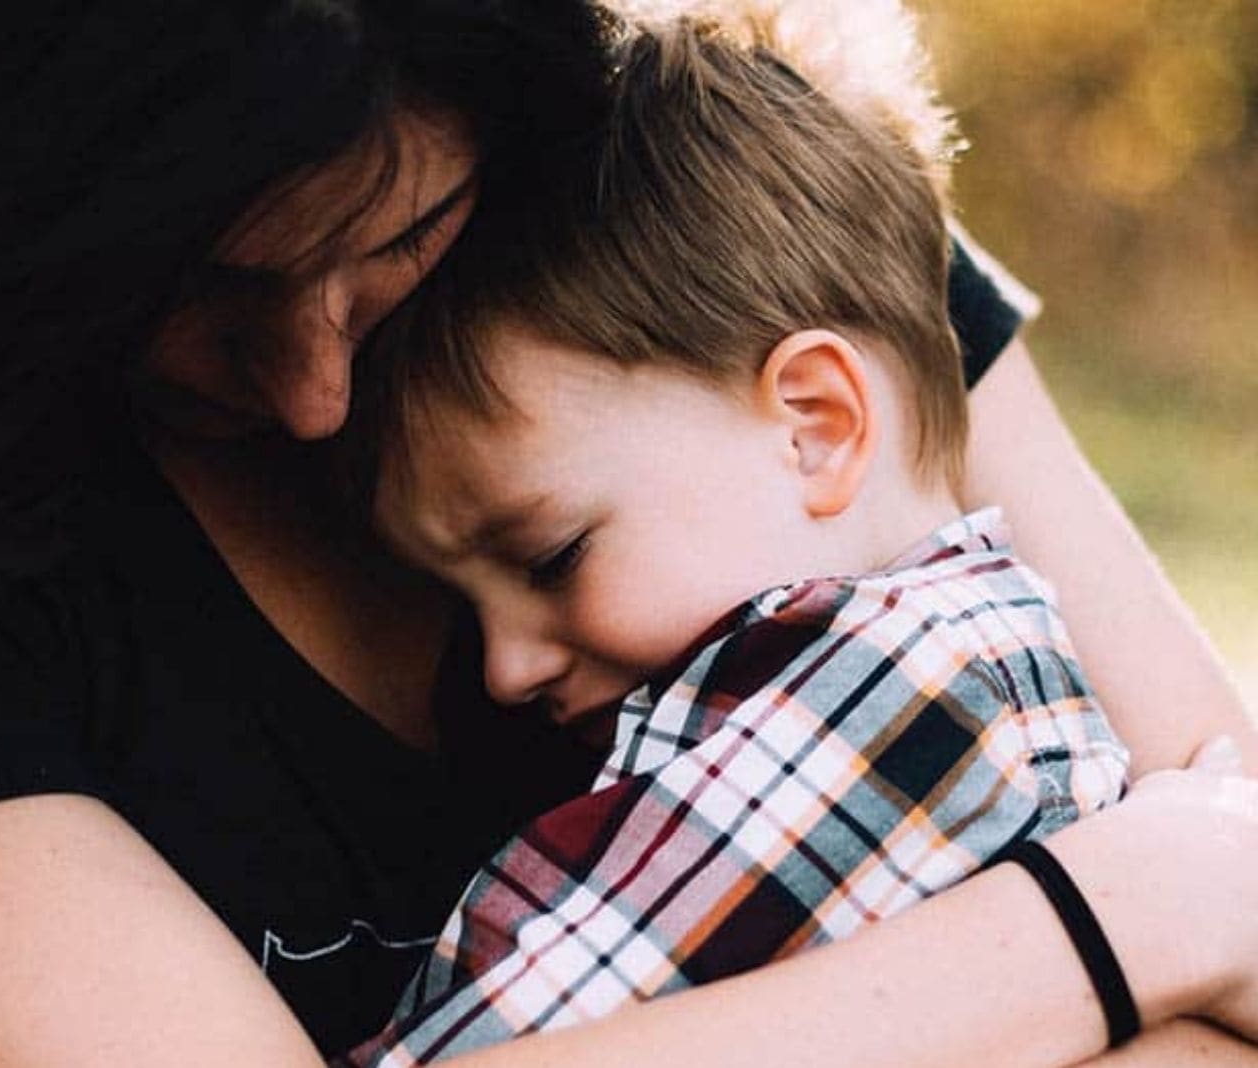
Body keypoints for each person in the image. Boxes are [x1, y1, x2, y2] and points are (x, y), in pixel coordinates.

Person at [0, 3, 1254, 1067]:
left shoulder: (710, 220)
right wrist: (1111, 923)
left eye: (398, 239)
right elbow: (1218, 883)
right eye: (190, 293)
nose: (310, 392)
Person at [346, 7, 1137, 1060]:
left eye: (550, 557)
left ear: (815, 427)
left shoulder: (889, 692)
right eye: (463, 599)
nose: (502, 668)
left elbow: (496, 1041)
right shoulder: (990, 653)